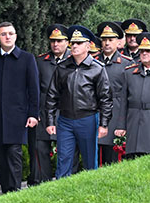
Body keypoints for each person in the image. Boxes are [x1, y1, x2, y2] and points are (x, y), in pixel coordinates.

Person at [0, 22, 40, 195]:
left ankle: (14, 191)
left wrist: (33, 114)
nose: (7, 37)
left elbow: (33, 89)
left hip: (17, 117)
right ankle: (5, 192)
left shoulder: (27, 59)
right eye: (3, 34)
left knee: (14, 154)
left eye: (10, 34)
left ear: (15, 36)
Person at [46, 26, 112, 177]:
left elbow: (105, 99)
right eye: (73, 43)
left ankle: (91, 193)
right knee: (63, 160)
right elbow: (52, 95)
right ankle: (62, 194)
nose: (74, 46)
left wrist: (103, 124)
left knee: (90, 161)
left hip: (87, 119)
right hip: (65, 120)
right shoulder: (62, 67)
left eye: (79, 43)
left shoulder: (97, 69)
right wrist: (50, 121)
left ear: (88, 46)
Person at [29, 24, 69, 185]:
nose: (55, 44)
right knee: (40, 148)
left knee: (66, 150)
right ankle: (42, 182)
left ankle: (64, 182)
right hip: (44, 112)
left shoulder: (73, 60)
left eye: (59, 41)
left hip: (66, 112)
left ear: (67, 42)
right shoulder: (41, 61)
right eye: (53, 41)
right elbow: (34, 89)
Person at [95, 21, 130, 165]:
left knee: (113, 156)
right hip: (96, 111)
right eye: (104, 40)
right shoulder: (93, 61)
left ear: (118, 42)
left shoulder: (126, 63)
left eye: (110, 40)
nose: (107, 43)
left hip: (116, 113)